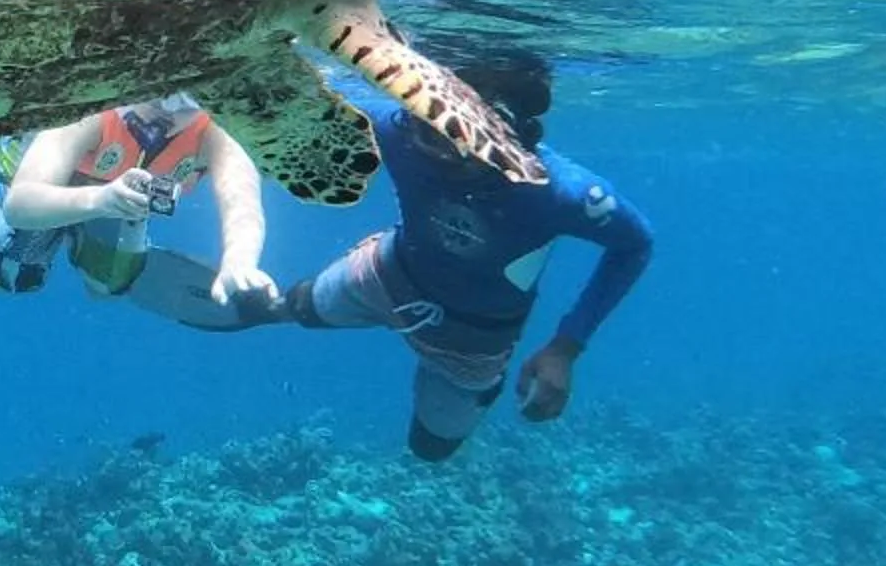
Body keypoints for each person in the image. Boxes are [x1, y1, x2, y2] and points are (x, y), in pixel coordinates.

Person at [279, 51, 651, 459]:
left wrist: (566, 348)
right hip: (392, 273)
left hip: (472, 336)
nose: (439, 150)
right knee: (298, 305)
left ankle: (483, 387)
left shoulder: (563, 194)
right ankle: (257, 302)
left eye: (459, 138)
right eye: (428, 128)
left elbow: (634, 245)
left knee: (431, 447)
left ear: (514, 135)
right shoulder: (397, 128)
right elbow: (300, 99)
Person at [0, 95, 283, 331]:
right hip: (40, 176)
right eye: (160, 94)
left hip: (116, 195)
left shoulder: (217, 134)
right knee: (10, 279)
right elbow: (21, 205)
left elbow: (242, 204)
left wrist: (239, 262)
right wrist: (101, 200)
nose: (169, 110)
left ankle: (96, 247)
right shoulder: (91, 112)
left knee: (106, 286)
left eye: (186, 103)